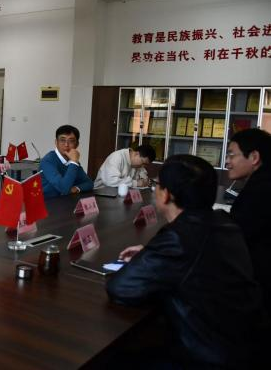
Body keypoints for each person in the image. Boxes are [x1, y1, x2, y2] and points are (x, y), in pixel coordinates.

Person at [106, 154, 266, 368]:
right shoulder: (223, 223)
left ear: (166, 195)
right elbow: (199, 259)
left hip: (208, 357)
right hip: (245, 344)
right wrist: (153, 253)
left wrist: (156, 256)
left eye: (157, 185)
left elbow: (121, 288)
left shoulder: (179, 238)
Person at [226, 128, 271, 313]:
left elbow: (235, 236)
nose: (227, 162)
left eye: (232, 155)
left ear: (254, 157)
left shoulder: (261, 190)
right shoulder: (262, 182)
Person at [40, 125, 93, 198]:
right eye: (62, 140)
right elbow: (64, 189)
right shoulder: (47, 161)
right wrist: (74, 162)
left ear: (77, 144)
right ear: (56, 142)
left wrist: (75, 188)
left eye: (71, 141)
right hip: (47, 202)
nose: (66, 145)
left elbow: (89, 183)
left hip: (64, 201)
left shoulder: (72, 160)